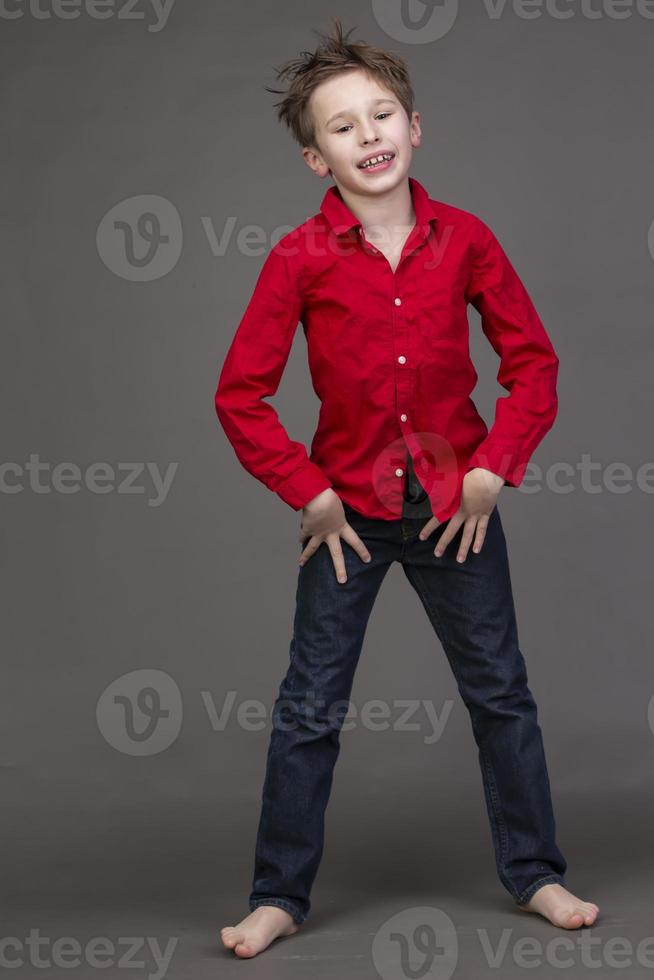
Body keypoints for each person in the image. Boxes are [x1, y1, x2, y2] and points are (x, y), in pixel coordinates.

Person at [215, 18, 599, 959]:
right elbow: (241, 394)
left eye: (382, 114)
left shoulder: (466, 240)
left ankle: (537, 873)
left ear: (415, 127)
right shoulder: (298, 259)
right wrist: (305, 490)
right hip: (344, 516)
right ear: (316, 158)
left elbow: (533, 365)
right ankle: (278, 895)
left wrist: (491, 468)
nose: (369, 134)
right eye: (342, 127)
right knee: (310, 707)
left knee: (501, 693)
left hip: (456, 513)